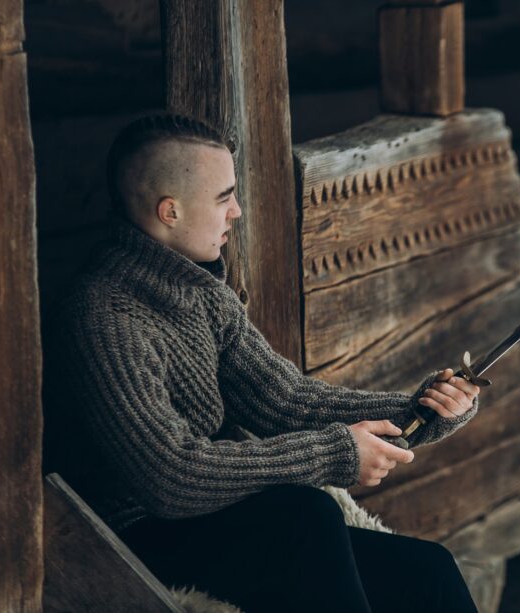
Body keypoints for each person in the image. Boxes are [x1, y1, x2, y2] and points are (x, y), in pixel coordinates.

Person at [44, 114, 480, 612]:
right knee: (302, 515)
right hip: (130, 539)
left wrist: (423, 410)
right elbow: (171, 477)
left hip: (213, 522)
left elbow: (288, 401)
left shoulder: (202, 295)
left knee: (428, 571)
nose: (237, 212)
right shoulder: (102, 317)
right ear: (170, 211)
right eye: (223, 197)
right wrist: (335, 454)